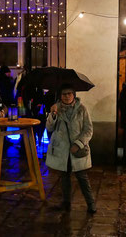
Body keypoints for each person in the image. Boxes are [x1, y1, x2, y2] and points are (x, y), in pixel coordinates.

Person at [46, 84, 96, 213]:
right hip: (62, 150)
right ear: (60, 96)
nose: (67, 96)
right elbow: (49, 128)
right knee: (64, 177)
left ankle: (91, 204)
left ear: (74, 95)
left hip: (77, 150)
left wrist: (78, 144)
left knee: (82, 177)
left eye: (69, 93)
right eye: (64, 94)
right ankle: (66, 203)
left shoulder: (82, 109)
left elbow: (88, 129)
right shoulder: (56, 108)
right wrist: (53, 114)